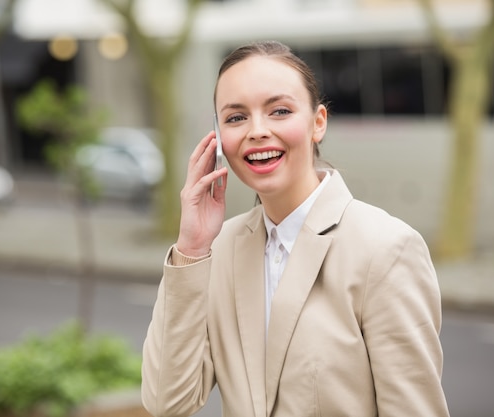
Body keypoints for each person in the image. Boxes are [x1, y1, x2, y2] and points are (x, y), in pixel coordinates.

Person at [141, 40, 450, 417]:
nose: (257, 131)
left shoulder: (385, 249)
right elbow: (166, 404)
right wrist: (191, 247)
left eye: (280, 111)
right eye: (236, 118)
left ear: (318, 122)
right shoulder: (217, 252)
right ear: (219, 136)